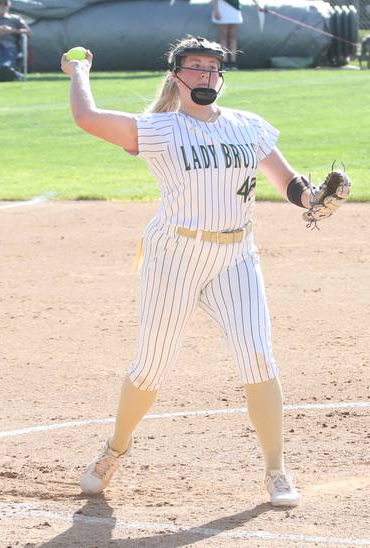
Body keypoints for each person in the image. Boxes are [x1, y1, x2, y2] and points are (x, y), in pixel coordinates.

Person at [62, 35, 348, 508]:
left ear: (221, 76)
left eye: (212, 69)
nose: (205, 76)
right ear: (176, 75)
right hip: (173, 256)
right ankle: (114, 450)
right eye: (194, 68)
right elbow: (87, 118)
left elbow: (290, 183)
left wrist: (314, 200)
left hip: (237, 256)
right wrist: (79, 73)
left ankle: (276, 470)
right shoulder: (160, 129)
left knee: (258, 355)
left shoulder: (249, 127)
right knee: (151, 365)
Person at [212, 0, 242, 69]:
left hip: (235, 9)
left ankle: (233, 62)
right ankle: (224, 61)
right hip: (222, 8)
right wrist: (216, 10)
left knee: (233, 37)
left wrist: (258, 5)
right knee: (223, 37)